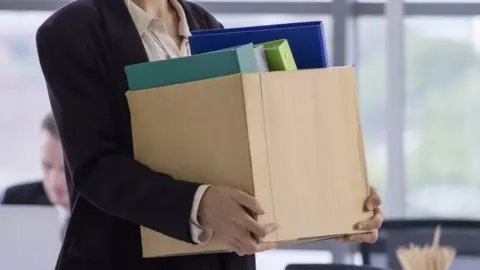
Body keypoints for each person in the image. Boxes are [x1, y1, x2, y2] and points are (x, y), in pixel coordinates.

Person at [36, 0, 384, 269]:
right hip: (120, 258)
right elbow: (96, 167)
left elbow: (249, 155)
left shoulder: (205, 24)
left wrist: (335, 206)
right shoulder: (72, 30)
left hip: (220, 262)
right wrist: (200, 204)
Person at [1, 113, 69, 221]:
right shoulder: (15, 203)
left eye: (64, 170)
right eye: (47, 166)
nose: (54, 180)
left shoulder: (103, 210)